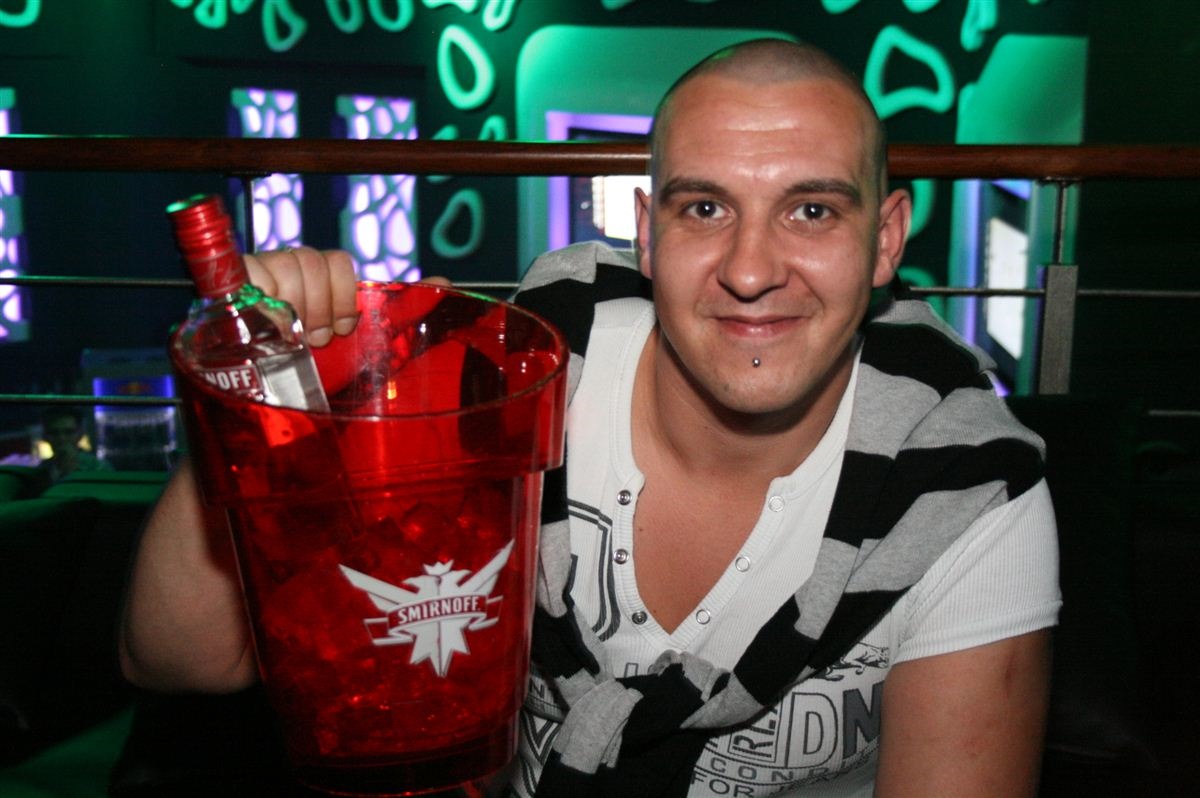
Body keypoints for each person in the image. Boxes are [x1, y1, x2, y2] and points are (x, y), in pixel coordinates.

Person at [119, 39, 1059, 797]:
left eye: (811, 211)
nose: (750, 270)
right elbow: (178, 660)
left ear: (886, 240)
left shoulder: (967, 489)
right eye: (705, 208)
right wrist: (251, 406)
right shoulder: (515, 378)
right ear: (647, 233)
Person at [36, 406, 113, 483]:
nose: (62, 438)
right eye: (54, 433)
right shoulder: (41, 470)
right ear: (45, 436)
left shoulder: (98, 468)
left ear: (80, 434)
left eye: (69, 432)